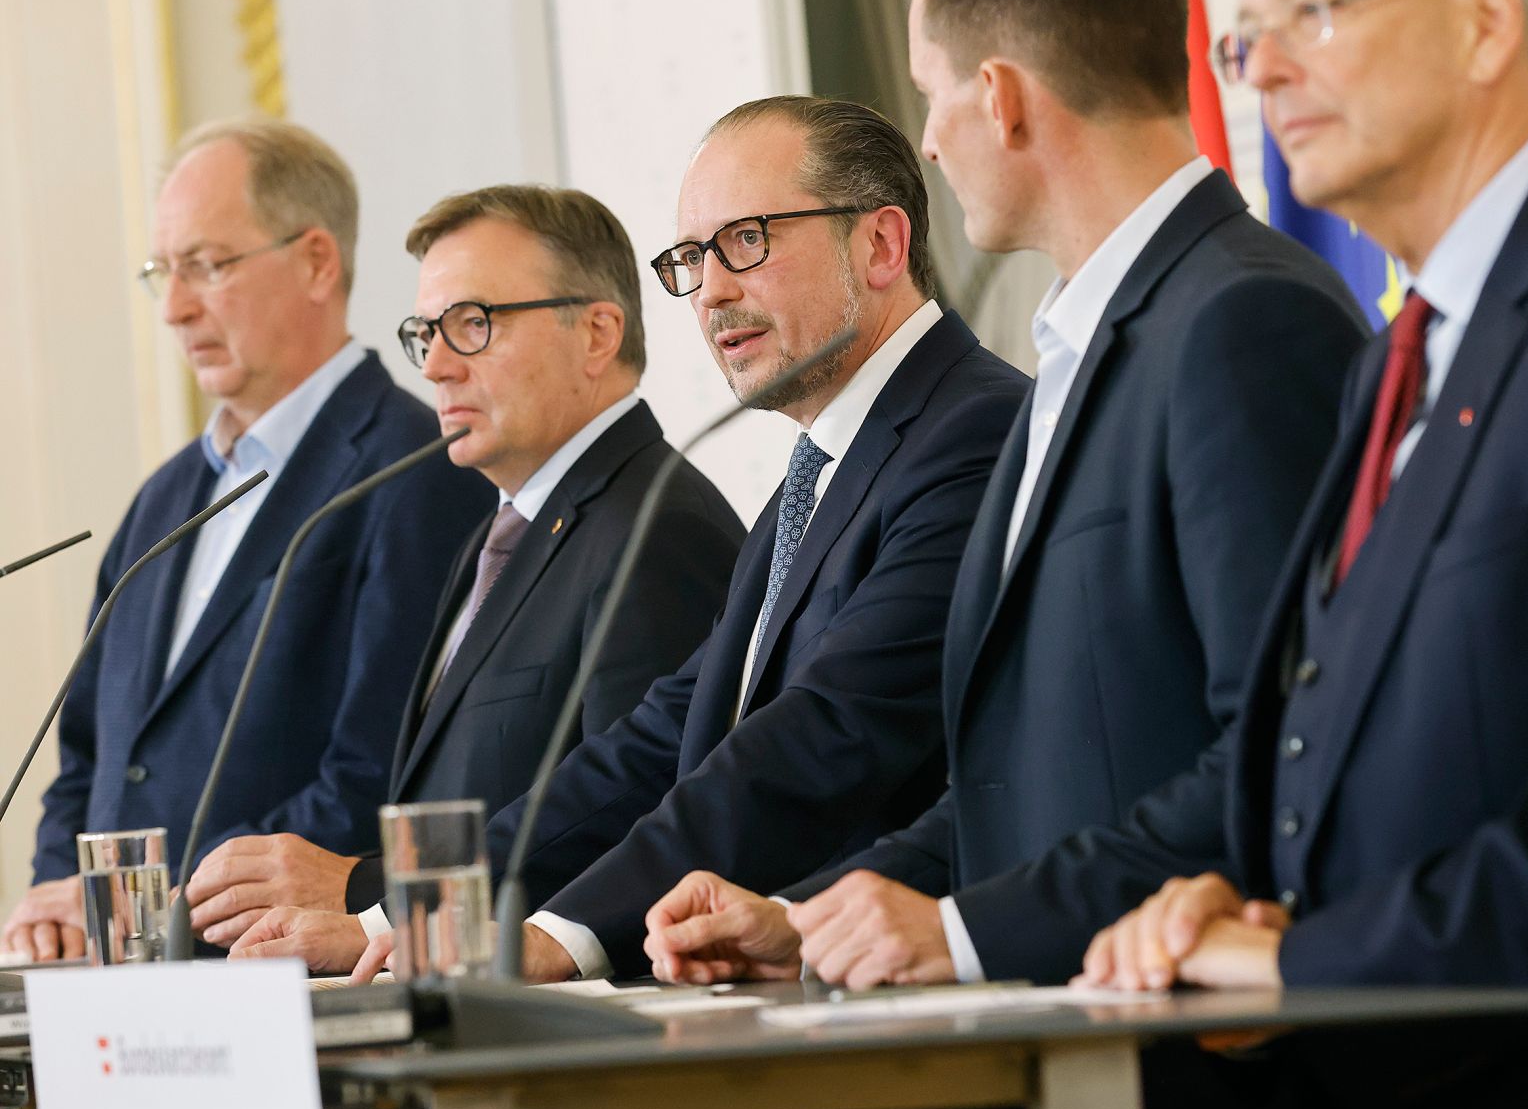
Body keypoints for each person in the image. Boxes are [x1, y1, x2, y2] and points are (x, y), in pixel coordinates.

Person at [923, 0, 1528, 1109]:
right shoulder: (1397, 361)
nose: (1264, 75)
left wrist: (1308, 963)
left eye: (1315, 12)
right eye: (1248, 38)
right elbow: (1348, 745)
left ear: (1487, 19)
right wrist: (1240, 902)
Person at [642, 0, 1365, 991]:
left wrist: (965, 934)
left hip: (1193, 1053)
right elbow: (1018, 781)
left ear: (1001, 97)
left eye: (931, 95)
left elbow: (1277, 754)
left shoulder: (1241, 319)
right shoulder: (1071, 352)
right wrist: (819, 919)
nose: (926, 140)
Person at [229, 95, 1029, 980]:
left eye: (748, 241)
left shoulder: (973, 431)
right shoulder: (818, 470)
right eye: (692, 258)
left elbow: (827, 733)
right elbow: (657, 743)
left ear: (880, 244)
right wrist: (413, 920)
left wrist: (561, 933)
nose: (714, 290)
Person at [178, 185, 745, 950]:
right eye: (425, 333)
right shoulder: (500, 532)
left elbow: (635, 817)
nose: (437, 366)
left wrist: (367, 892)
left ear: (598, 333)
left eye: (474, 324)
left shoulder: (657, 526)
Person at [3, 119, 493, 960]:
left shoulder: (414, 470)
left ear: (315, 261)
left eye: (208, 266)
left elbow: (373, 773)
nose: (175, 307)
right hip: (117, 983)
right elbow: (87, 754)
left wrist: (144, 911)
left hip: (284, 972)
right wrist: (56, 903)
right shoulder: (163, 499)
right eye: (164, 271)